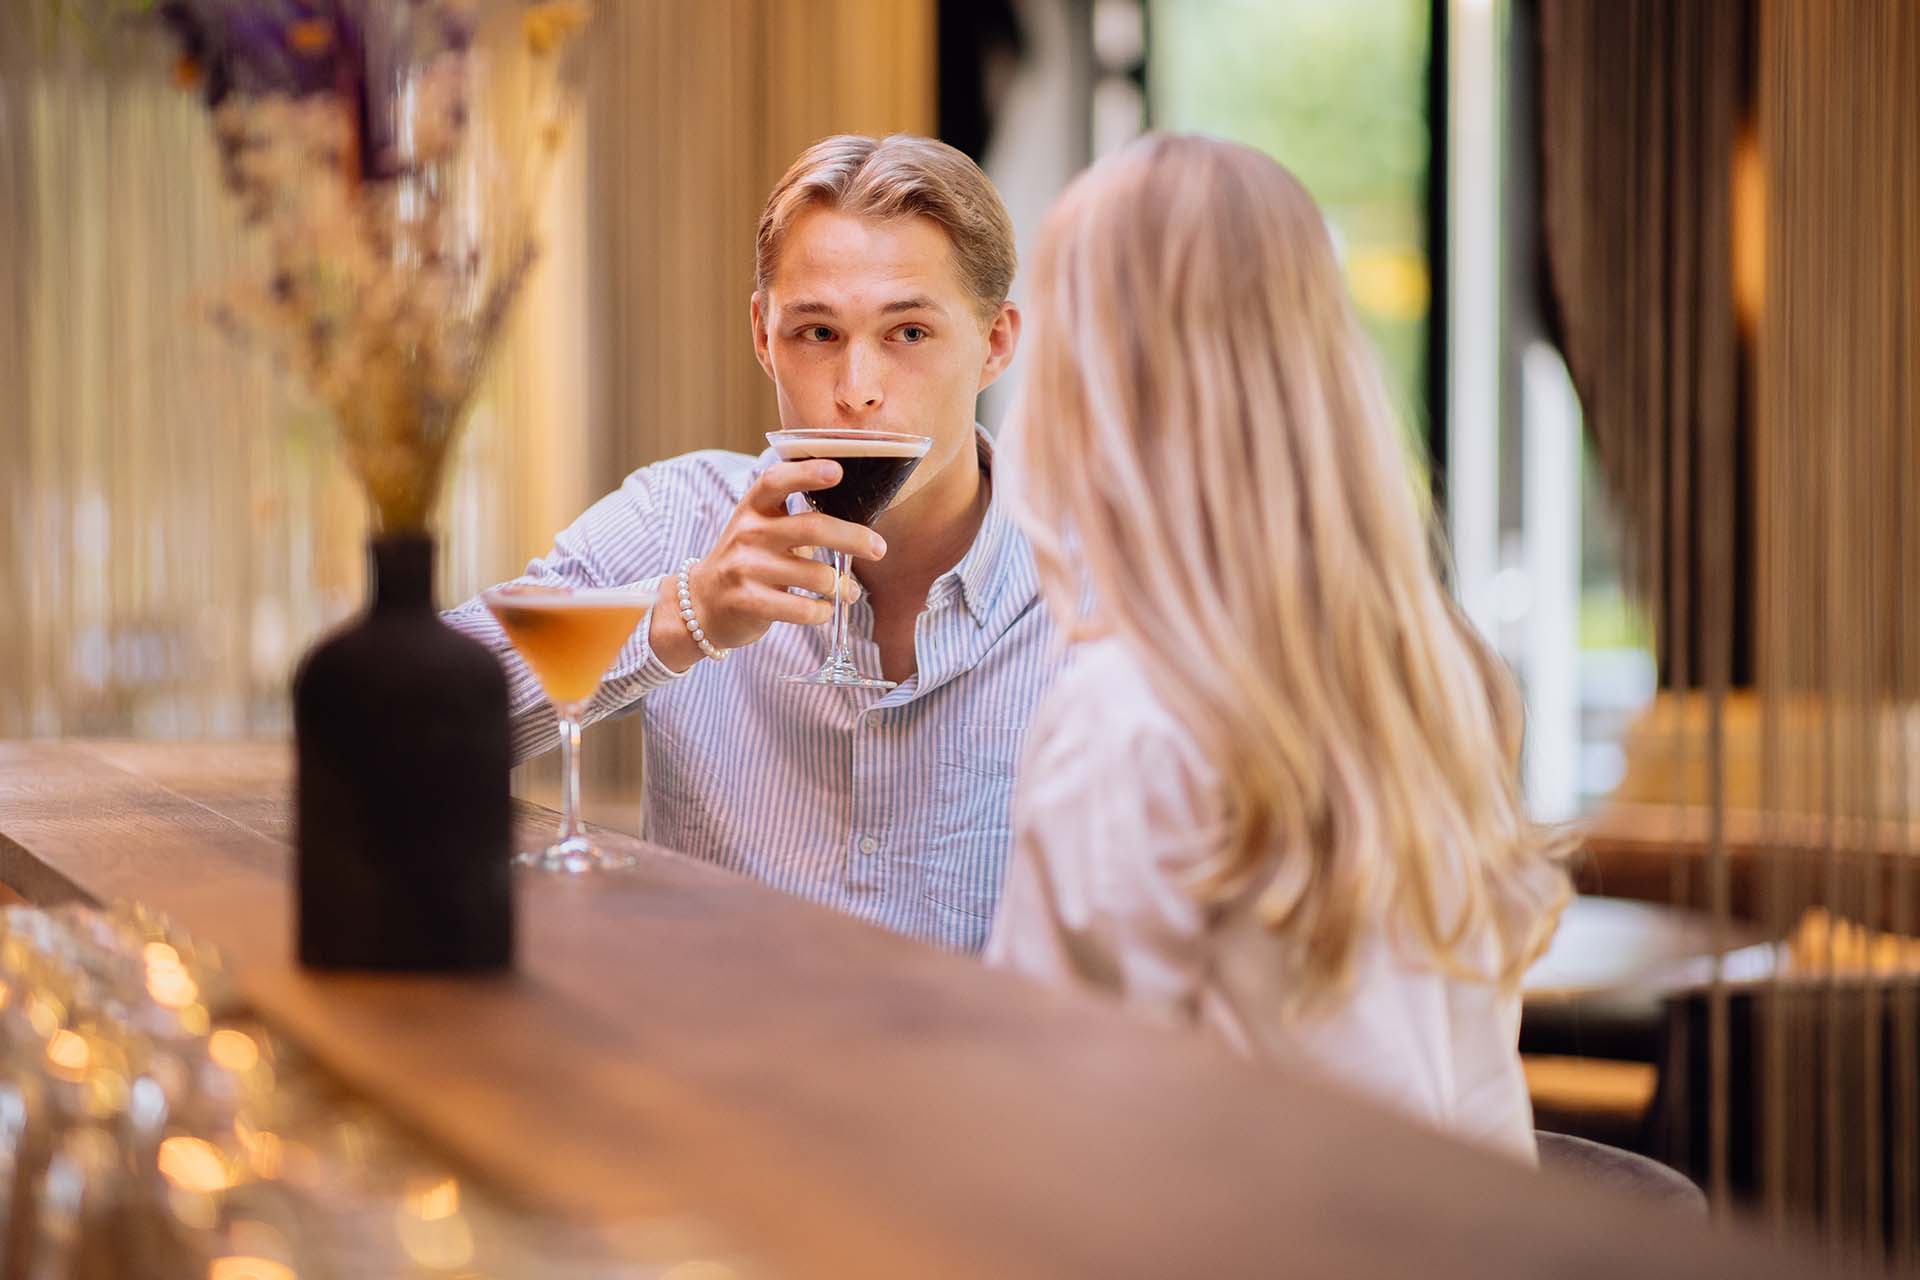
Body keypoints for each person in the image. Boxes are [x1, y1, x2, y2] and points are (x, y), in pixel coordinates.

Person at [985, 134, 1570, 1160]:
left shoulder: (1123, 717)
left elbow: (1053, 1133)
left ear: (1096, 386)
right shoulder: (1431, 672)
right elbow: (1481, 1092)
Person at [446, 135, 1062, 952]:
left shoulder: (1096, 585)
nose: (858, 391)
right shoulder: (676, 517)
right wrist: (682, 617)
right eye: (818, 334)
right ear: (764, 337)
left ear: (995, 343)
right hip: (710, 1067)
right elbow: (399, 731)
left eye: (909, 333)